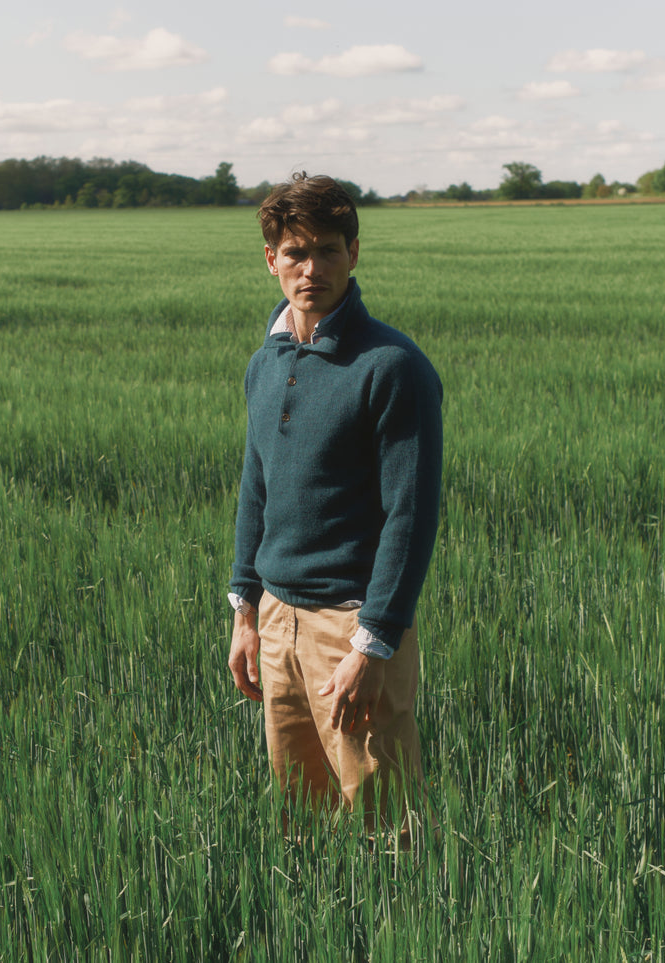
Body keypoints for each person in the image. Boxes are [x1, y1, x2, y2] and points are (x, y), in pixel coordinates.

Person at [227, 172, 443, 829]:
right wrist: (245, 608)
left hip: (349, 625)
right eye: (295, 252)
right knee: (301, 814)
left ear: (354, 252)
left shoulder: (391, 366)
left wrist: (372, 643)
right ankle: (320, 932)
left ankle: (400, 931)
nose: (310, 267)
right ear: (271, 261)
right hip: (277, 620)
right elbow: (256, 483)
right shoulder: (266, 362)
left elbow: (411, 514)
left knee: (382, 818)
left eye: (326, 249)